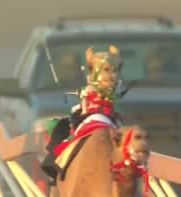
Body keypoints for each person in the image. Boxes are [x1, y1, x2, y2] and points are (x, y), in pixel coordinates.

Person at [41, 47, 123, 184]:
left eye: (114, 71)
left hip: (110, 121)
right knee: (72, 140)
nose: (111, 76)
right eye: (106, 70)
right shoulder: (89, 92)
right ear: (92, 75)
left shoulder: (114, 94)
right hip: (91, 119)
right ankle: (59, 166)